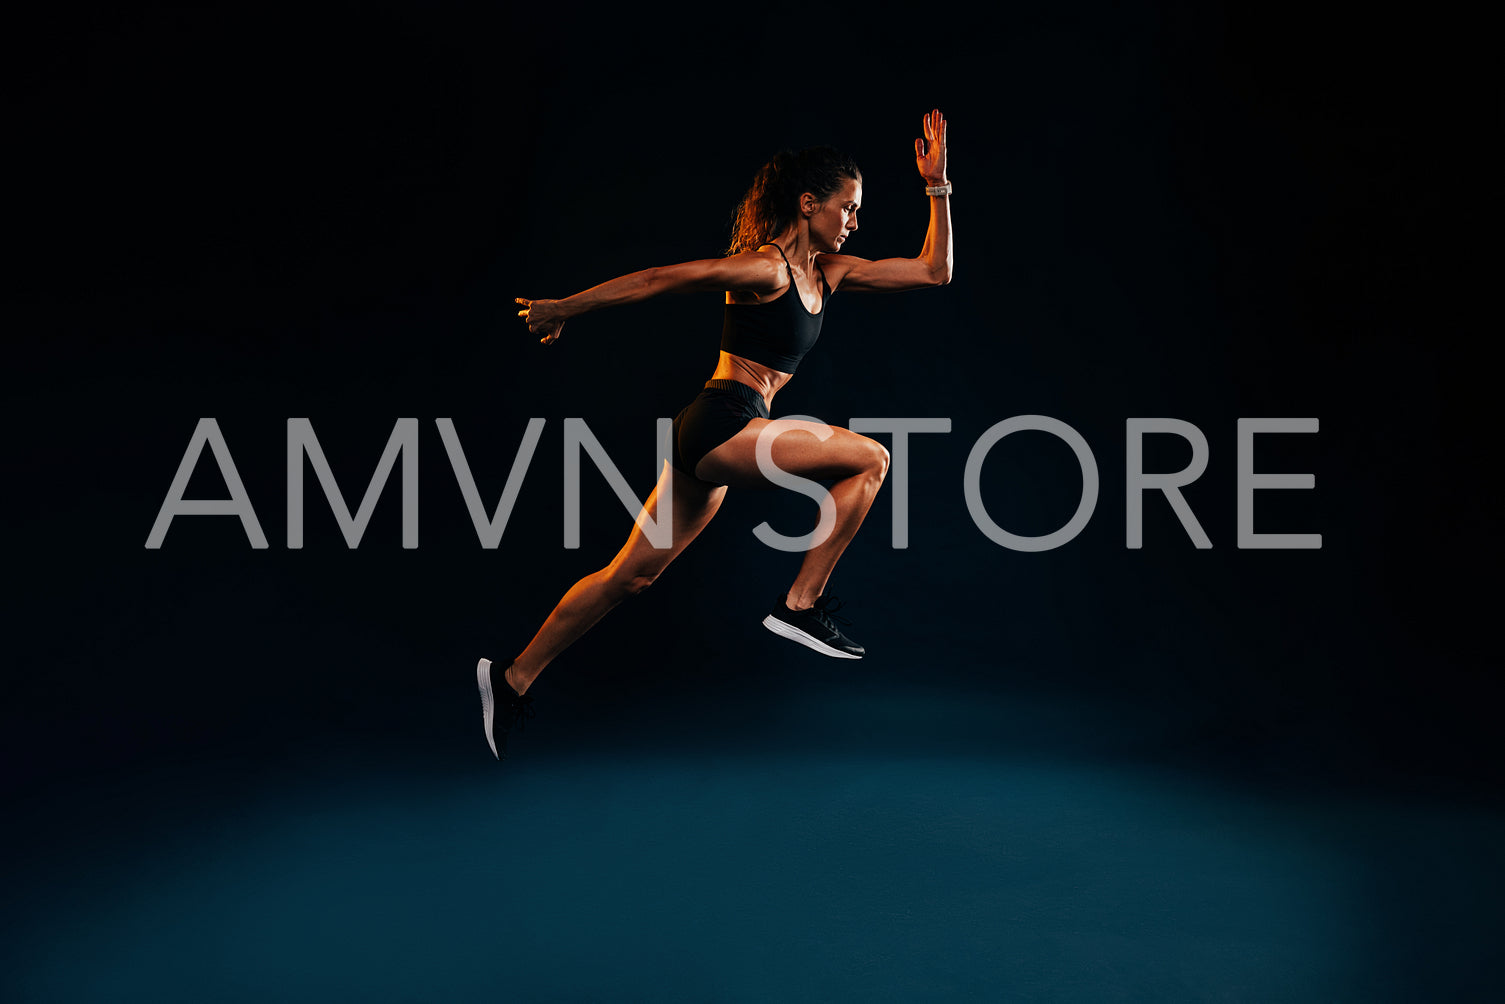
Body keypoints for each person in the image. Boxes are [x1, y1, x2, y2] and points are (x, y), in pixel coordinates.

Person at [477, 109, 952, 759]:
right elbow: (659, 280)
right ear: (808, 203)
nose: (854, 222)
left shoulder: (831, 273)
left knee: (629, 578)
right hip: (721, 422)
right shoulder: (765, 270)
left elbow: (934, 272)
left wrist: (938, 186)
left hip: (718, 433)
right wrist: (567, 307)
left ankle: (511, 678)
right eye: (847, 207)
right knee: (869, 458)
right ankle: (800, 603)